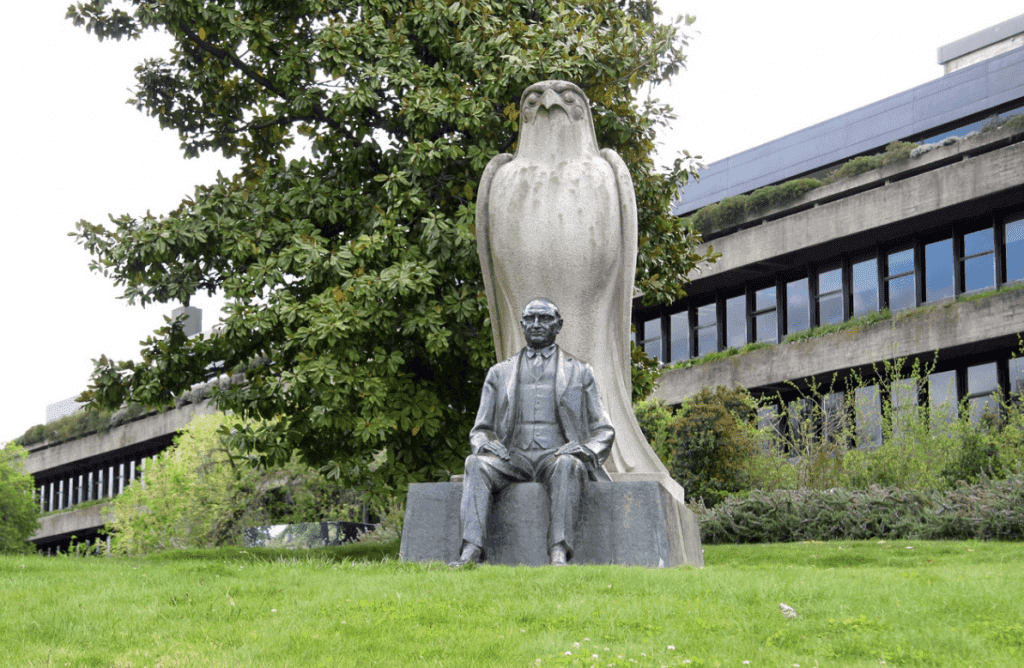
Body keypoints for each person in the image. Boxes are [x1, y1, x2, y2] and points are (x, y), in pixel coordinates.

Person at [451, 298, 614, 567]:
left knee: (567, 465)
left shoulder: (580, 372)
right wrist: (486, 445)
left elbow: (603, 429)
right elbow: (480, 430)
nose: (537, 324)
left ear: (558, 325)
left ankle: (559, 552)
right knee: (475, 463)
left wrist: (585, 449)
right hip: (513, 458)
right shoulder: (499, 373)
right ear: (522, 324)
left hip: (555, 455)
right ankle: (471, 551)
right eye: (531, 318)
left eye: (545, 318)